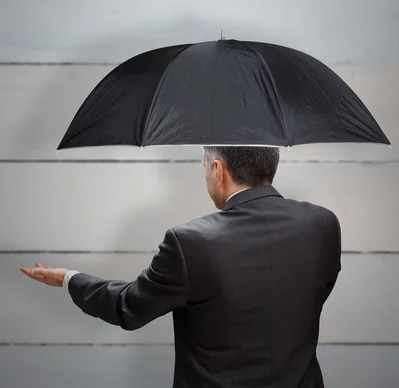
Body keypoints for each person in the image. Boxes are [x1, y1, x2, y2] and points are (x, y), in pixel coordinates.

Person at [20, 146, 341, 388]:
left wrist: (68, 279)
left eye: (204, 167)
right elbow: (316, 291)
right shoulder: (323, 225)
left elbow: (128, 306)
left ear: (218, 170)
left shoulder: (190, 242)